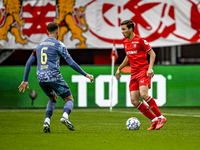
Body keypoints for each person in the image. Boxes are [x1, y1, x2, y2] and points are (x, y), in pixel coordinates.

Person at [18, 22, 94, 133]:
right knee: (69, 99)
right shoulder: (59, 45)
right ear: (58, 31)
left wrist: (25, 80)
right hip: (54, 76)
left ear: (47, 32)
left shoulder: (39, 46)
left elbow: (29, 62)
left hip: (41, 78)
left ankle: (47, 121)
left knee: (53, 98)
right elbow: (71, 63)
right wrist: (86, 74)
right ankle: (65, 116)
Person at [115, 20, 167, 130]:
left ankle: (161, 117)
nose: (122, 32)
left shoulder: (140, 40)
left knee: (144, 94)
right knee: (134, 100)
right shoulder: (125, 42)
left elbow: (152, 53)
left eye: (124, 29)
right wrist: (119, 68)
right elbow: (128, 57)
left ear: (130, 29)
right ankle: (154, 120)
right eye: (122, 29)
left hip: (143, 71)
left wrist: (150, 68)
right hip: (133, 73)